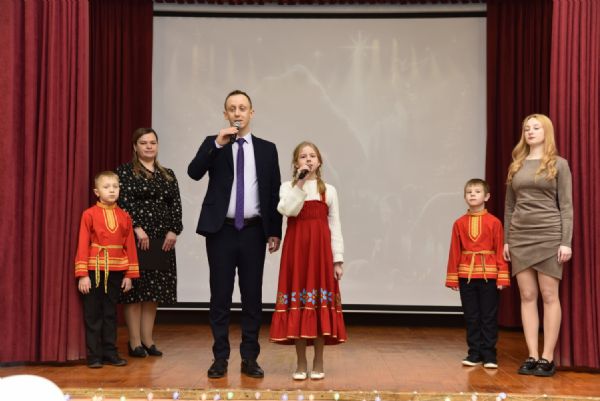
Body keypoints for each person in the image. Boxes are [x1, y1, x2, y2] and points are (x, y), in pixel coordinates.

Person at [187, 90, 282, 379]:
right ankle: (220, 358)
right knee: (220, 296)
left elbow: (273, 191)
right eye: (232, 108)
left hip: (253, 231)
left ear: (252, 112)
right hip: (221, 231)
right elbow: (194, 172)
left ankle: (250, 358)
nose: (237, 113)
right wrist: (217, 143)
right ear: (225, 114)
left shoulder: (267, 149)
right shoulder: (214, 143)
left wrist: (274, 231)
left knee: (252, 297)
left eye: (242, 108)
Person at [269, 141, 347, 381]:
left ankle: (319, 360)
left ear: (319, 161)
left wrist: (338, 259)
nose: (308, 159)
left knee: (319, 304)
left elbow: (335, 225)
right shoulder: (288, 187)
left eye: (312, 156)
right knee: (300, 304)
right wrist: (300, 183)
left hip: (321, 254)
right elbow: (287, 210)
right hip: (297, 253)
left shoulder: (329, 190)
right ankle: (301, 362)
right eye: (303, 156)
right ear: (296, 163)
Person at [504, 113, 573, 377]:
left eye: (536, 128)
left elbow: (566, 206)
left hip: (549, 235)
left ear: (546, 132)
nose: (530, 132)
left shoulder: (559, 164)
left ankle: (547, 357)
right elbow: (510, 206)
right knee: (527, 295)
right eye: (526, 128)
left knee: (549, 295)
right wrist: (507, 239)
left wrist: (565, 241)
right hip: (520, 237)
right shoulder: (516, 165)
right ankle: (532, 354)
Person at [116, 128, 183, 358]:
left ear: (157, 145)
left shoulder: (168, 174)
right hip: (135, 239)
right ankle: (134, 342)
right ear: (135, 146)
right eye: (143, 142)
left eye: (152, 142)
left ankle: (148, 340)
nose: (148, 146)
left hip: (162, 240)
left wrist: (174, 230)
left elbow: (175, 205)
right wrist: (136, 228)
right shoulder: (125, 172)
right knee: (135, 292)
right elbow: (122, 203)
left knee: (154, 292)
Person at [75, 171, 139, 368]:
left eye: (115, 187)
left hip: (117, 270)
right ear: (97, 192)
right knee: (93, 313)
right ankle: (94, 355)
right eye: (106, 187)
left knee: (110, 313)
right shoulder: (89, 214)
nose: (112, 190)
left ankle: (110, 352)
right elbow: (82, 244)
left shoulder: (125, 216)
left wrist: (129, 274)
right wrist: (82, 274)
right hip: (94, 269)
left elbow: (130, 246)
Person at [445, 178, 510, 369]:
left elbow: (499, 249)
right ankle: (474, 353)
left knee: (488, 316)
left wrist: (502, 275)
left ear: (487, 196)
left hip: (489, 276)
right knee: (471, 316)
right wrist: (453, 278)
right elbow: (454, 251)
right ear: (465, 197)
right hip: (466, 276)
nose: (472, 194)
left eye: (477, 191)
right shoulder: (459, 223)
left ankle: (489, 354)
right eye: (469, 192)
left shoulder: (495, 222)